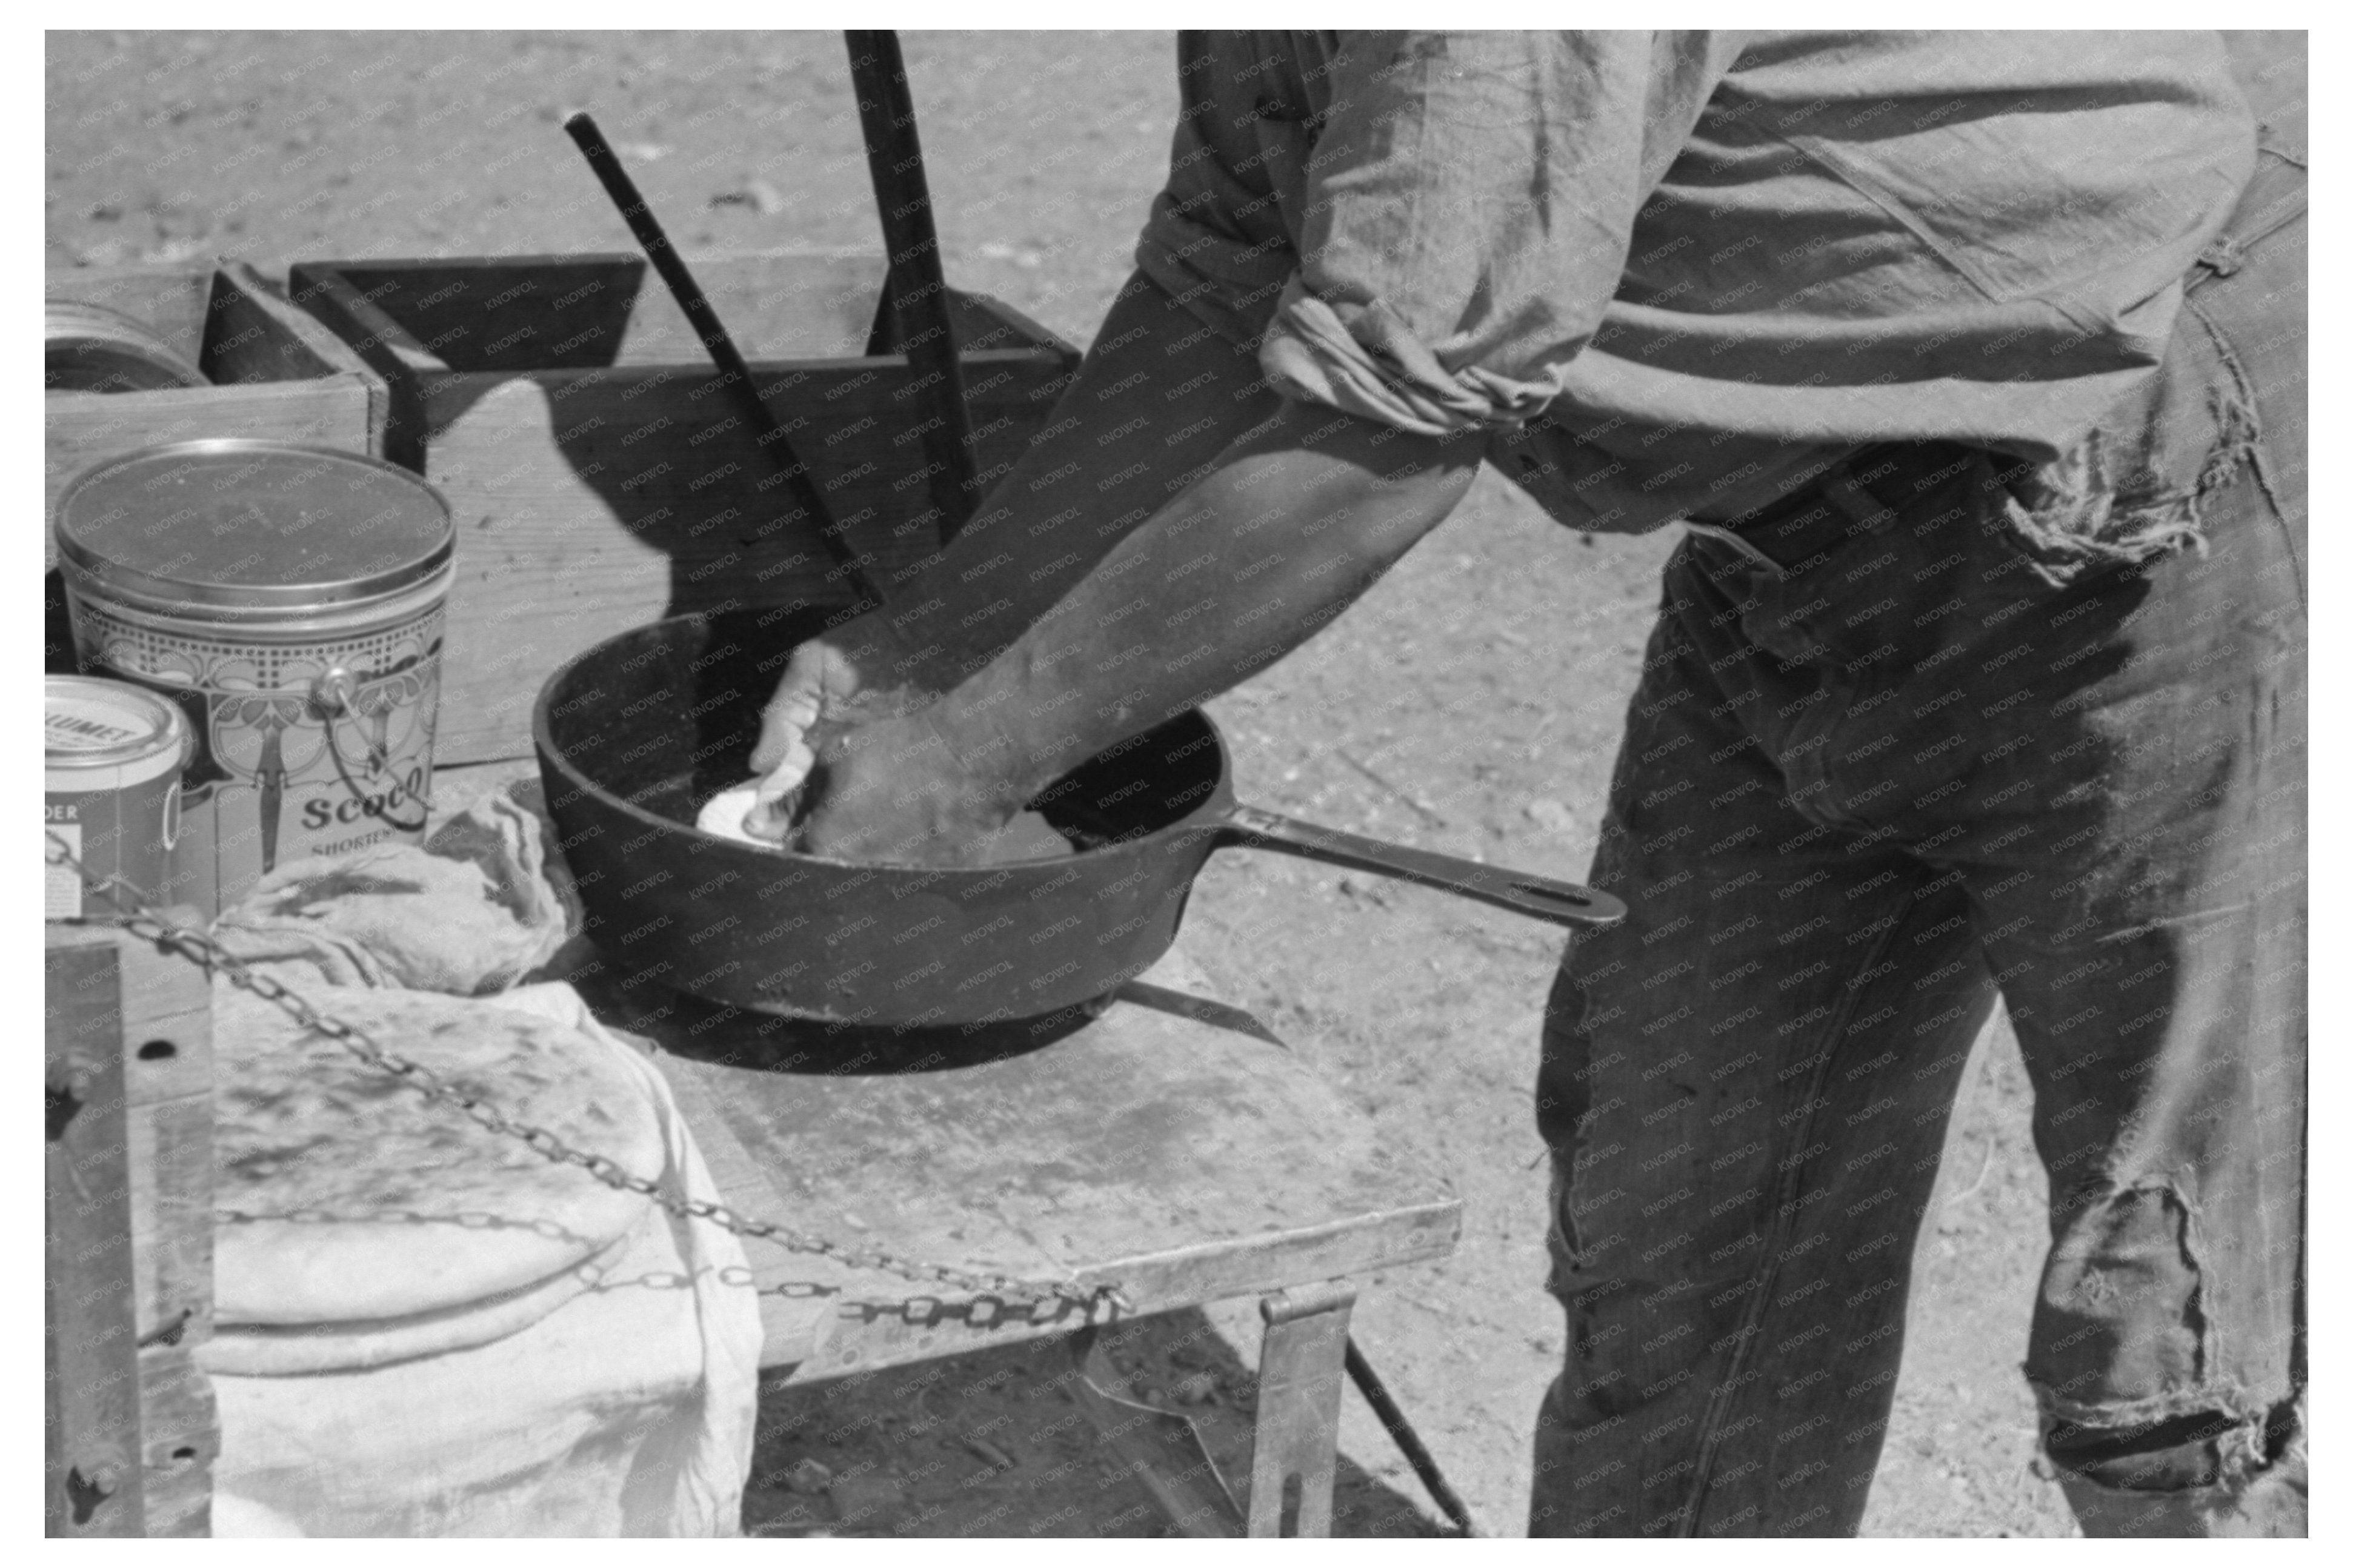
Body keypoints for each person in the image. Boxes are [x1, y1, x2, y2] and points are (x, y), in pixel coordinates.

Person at [747, 32, 2306, 1536]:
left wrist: (969, 764)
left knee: (2172, 1343)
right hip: (1800, 537)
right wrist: (926, 650)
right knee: (1685, 1226)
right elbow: (1224, 270)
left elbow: (1395, 420)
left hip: (2164, 474)